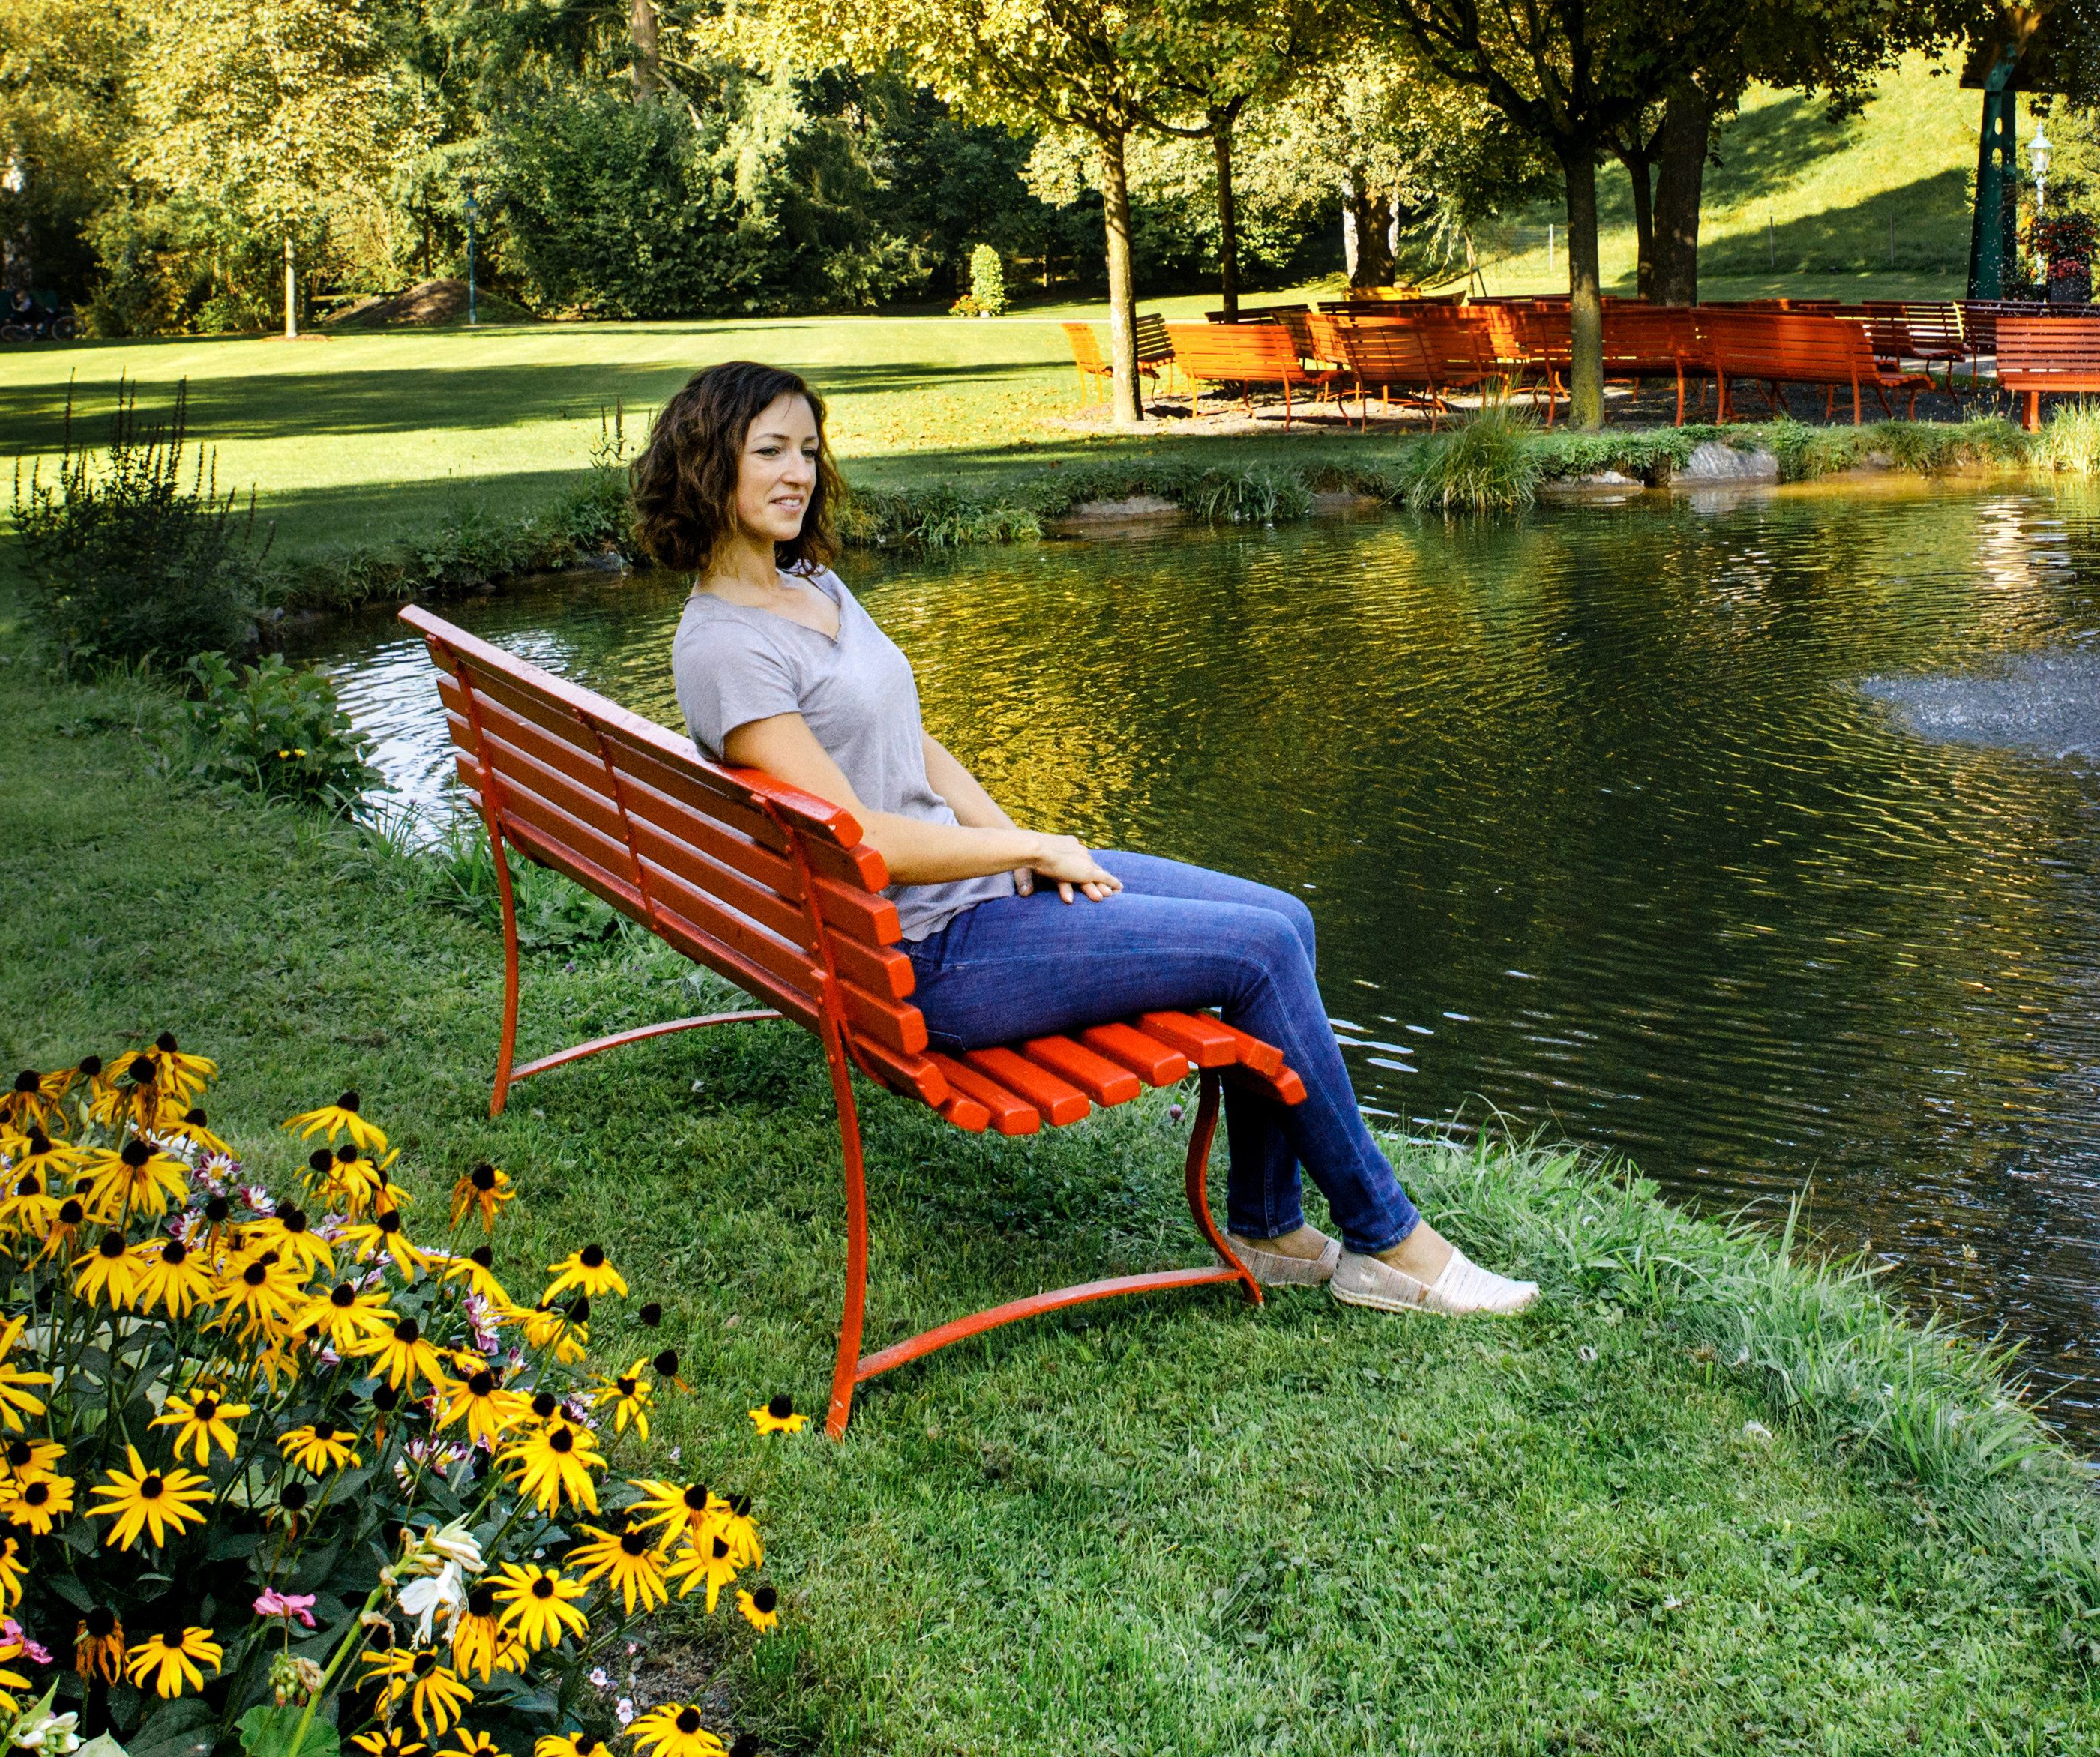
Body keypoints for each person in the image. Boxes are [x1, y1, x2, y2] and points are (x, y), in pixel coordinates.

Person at [634, 360, 1535, 1319]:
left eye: (807, 449)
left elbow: (914, 745)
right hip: (927, 956)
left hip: (973, 897)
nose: (797, 472)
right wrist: (1030, 853)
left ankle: (1269, 1226)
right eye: (769, 449)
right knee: (1260, 952)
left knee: (1283, 915)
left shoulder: (810, 583)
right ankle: (1389, 1240)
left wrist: (1018, 838)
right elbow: (855, 839)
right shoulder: (727, 646)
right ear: (707, 462)